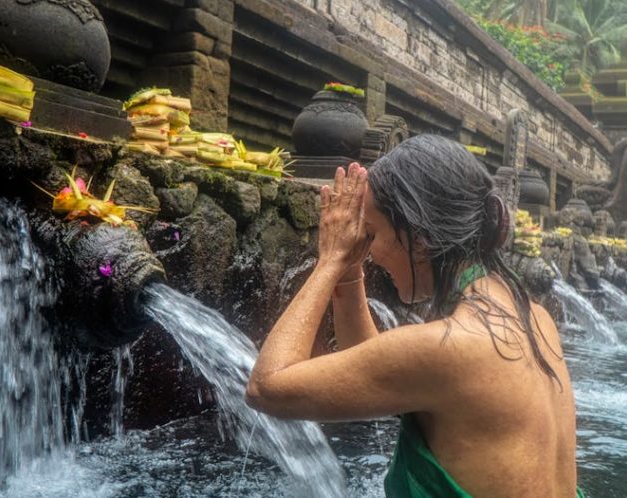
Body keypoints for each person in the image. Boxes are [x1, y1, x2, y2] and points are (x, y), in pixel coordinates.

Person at [246, 135, 580, 497]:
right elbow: (380, 371)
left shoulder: (452, 346)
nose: (367, 251)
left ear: (418, 239)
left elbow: (267, 387)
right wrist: (348, 272)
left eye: (371, 234)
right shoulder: (534, 317)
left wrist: (328, 261)